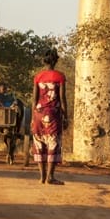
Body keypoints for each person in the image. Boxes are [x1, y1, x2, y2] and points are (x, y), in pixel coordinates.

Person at [31, 48, 68, 185]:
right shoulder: (60, 76)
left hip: (38, 115)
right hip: (53, 115)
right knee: (53, 143)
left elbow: (34, 100)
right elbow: (62, 99)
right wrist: (66, 117)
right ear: (56, 60)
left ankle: (41, 177)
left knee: (39, 143)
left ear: (44, 61)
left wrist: (32, 118)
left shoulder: (38, 76)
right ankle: (50, 177)